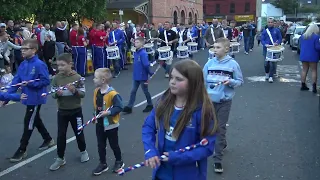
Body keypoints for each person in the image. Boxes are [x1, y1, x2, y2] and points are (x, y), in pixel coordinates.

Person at [142, 60, 217, 180]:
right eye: (171, 77)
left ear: (193, 83)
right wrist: (150, 150)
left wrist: (178, 157)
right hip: (161, 174)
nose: (172, 82)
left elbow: (207, 147)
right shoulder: (163, 102)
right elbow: (148, 127)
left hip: (187, 175)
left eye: (179, 79)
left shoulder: (203, 111)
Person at [1, 39, 54, 162]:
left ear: (34, 50)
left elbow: (46, 81)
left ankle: (22, 149)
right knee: (35, 119)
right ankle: (48, 139)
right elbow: (15, 82)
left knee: (28, 122)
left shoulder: (40, 64)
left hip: (36, 98)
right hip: (26, 96)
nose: (22, 51)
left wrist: (31, 84)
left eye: (25, 49)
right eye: (22, 49)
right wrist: (7, 97)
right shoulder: (23, 64)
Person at [203, 37, 243, 173]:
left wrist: (231, 82)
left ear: (227, 49)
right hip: (209, 102)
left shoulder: (233, 64)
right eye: (214, 47)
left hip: (224, 102)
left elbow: (240, 81)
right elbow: (202, 82)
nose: (215, 50)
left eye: (218, 47)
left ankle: (217, 160)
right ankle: (222, 143)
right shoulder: (209, 63)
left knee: (219, 128)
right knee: (209, 128)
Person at [49, 53, 89, 171]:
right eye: (58, 66)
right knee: (61, 135)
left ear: (70, 64)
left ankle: (83, 151)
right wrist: (57, 94)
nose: (60, 68)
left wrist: (74, 91)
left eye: (62, 65)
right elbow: (52, 94)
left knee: (79, 132)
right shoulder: (56, 78)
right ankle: (60, 158)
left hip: (76, 111)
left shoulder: (78, 78)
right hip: (62, 111)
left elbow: (83, 93)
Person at [92, 68, 124, 175]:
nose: (93, 79)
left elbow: (119, 106)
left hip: (111, 125)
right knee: (100, 145)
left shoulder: (113, 94)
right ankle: (103, 163)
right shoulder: (96, 91)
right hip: (100, 124)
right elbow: (96, 107)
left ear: (103, 80)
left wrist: (108, 113)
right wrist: (94, 116)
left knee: (114, 144)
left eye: (95, 77)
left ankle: (119, 161)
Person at [122, 37, 154, 114]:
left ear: (142, 44)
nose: (135, 44)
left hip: (142, 76)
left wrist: (149, 73)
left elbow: (146, 65)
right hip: (136, 75)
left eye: (137, 42)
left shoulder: (143, 54)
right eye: (135, 42)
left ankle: (150, 104)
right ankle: (129, 106)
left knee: (145, 91)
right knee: (133, 91)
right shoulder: (136, 53)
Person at [299, 24, 320, 93]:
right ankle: (314, 87)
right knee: (314, 70)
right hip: (313, 55)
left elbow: (300, 45)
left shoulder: (303, 36)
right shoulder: (316, 37)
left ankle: (303, 85)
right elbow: (317, 47)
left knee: (304, 70)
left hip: (304, 55)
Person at [261, 18, 282, 83]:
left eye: (271, 22)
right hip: (266, 49)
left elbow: (280, 38)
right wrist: (265, 44)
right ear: (267, 23)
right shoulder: (264, 31)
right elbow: (262, 39)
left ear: (273, 23)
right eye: (269, 22)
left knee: (273, 63)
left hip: (274, 49)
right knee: (266, 63)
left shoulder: (277, 30)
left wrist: (277, 43)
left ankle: (271, 76)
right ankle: (267, 73)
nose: (270, 23)